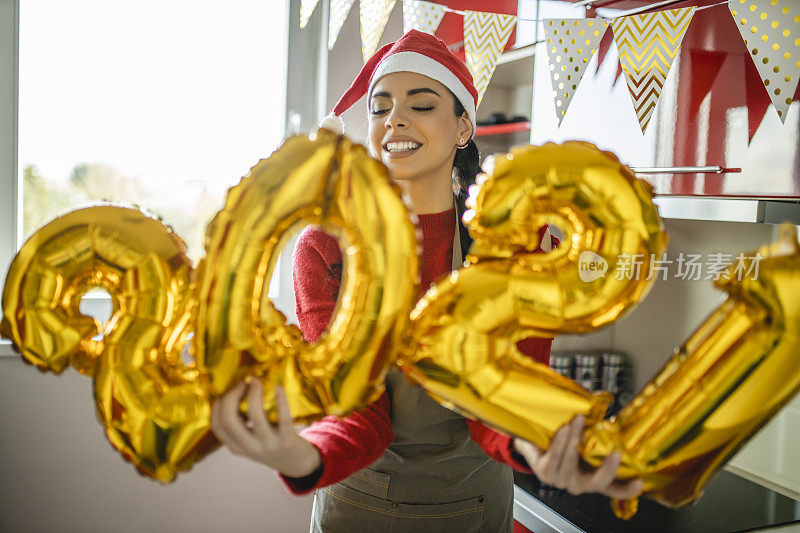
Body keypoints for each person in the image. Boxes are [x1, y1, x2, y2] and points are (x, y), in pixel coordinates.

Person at [210, 30, 642, 532]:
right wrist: (305, 454)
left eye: (421, 104)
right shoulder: (325, 247)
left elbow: (506, 393)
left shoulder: (514, 243)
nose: (394, 119)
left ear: (463, 126)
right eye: (380, 107)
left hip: (475, 505)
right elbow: (357, 405)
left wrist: (534, 439)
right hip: (357, 504)